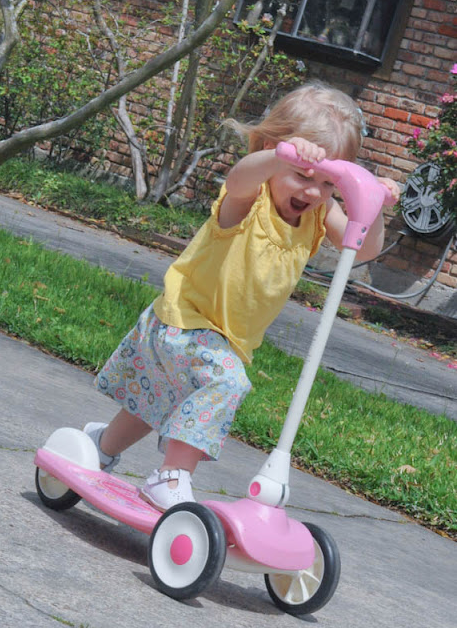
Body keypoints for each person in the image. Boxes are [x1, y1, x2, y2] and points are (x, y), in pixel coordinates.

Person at [84, 81, 400, 512]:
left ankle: (99, 446)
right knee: (225, 382)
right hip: (185, 320)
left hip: (228, 340)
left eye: (328, 184)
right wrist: (281, 157)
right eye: (303, 176)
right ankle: (170, 475)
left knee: (153, 405)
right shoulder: (251, 196)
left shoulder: (319, 214)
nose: (312, 192)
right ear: (272, 149)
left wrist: (375, 205)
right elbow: (238, 179)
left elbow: (362, 248)